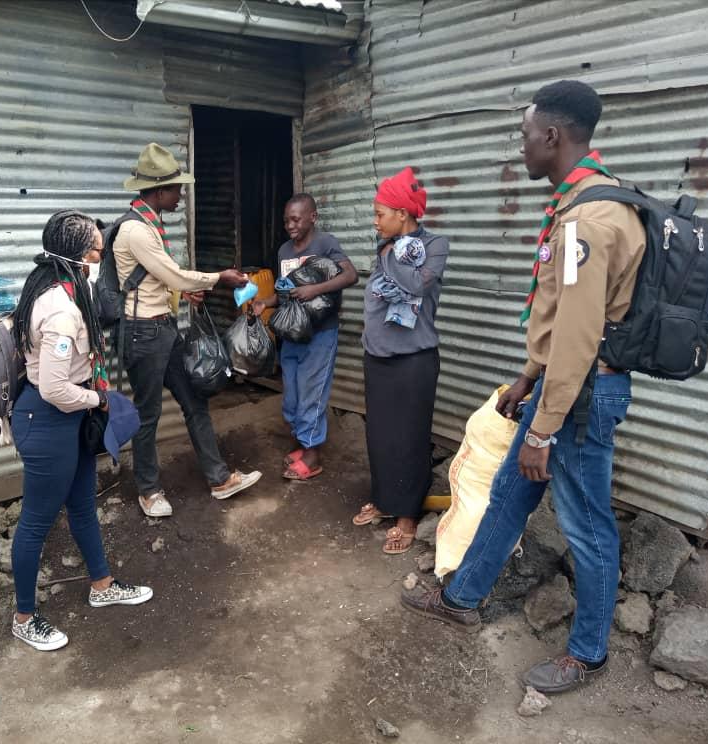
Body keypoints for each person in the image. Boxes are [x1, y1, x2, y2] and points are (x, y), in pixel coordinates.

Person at [401, 80, 644, 693]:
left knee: (587, 526)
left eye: (526, 135)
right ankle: (462, 597)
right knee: (510, 493)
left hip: (580, 397)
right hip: (561, 386)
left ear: (553, 136)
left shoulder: (588, 220)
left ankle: (587, 654)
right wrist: (525, 379)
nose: (522, 147)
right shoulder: (583, 204)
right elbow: (561, 321)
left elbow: (580, 337)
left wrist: (542, 428)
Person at [10, 209, 153, 651]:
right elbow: (54, 388)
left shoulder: (72, 289)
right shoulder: (59, 310)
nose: (101, 256)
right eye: (96, 250)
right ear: (77, 256)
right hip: (48, 419)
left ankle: (102, 585)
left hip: (69, 419)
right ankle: (24, 617)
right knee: (36, 521)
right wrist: (99, 400)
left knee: (83, 506)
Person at [114, 142, 261, 518]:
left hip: (163, 330)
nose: (181, 195)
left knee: (195, 401)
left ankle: (219, 478)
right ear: (159, 190)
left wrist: (183, 293)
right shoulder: (135, 230)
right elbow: (173, 274)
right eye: (177, 189)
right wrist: (219, 277)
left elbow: (158, 281)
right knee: (148, 414)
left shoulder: (151, 224)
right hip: (143, 334)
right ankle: (148, 491)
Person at [352, 166, 450, 555]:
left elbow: (414, 284)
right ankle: (384, 499)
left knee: (410, 437)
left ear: (402, 214)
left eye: (380, 214)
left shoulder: (435, 245)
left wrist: (391, 254)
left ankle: (407, 514)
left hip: (414, 361)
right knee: (379, 434)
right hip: (378, 357)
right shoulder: (387, 246)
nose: (375, 222)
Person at [251, 193, 357, 479]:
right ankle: (302, 441)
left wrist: (315, 290)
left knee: (312, 392)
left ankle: (312, 455)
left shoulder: (325, 243)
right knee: (293, 395)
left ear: (313, 217)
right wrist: (265, 303)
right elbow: (285, 292)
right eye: (287, 220)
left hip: (320, 334)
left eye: (296, 219)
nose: (290, 225)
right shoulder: (284, 251)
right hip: (292, 333)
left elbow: (350, 276)